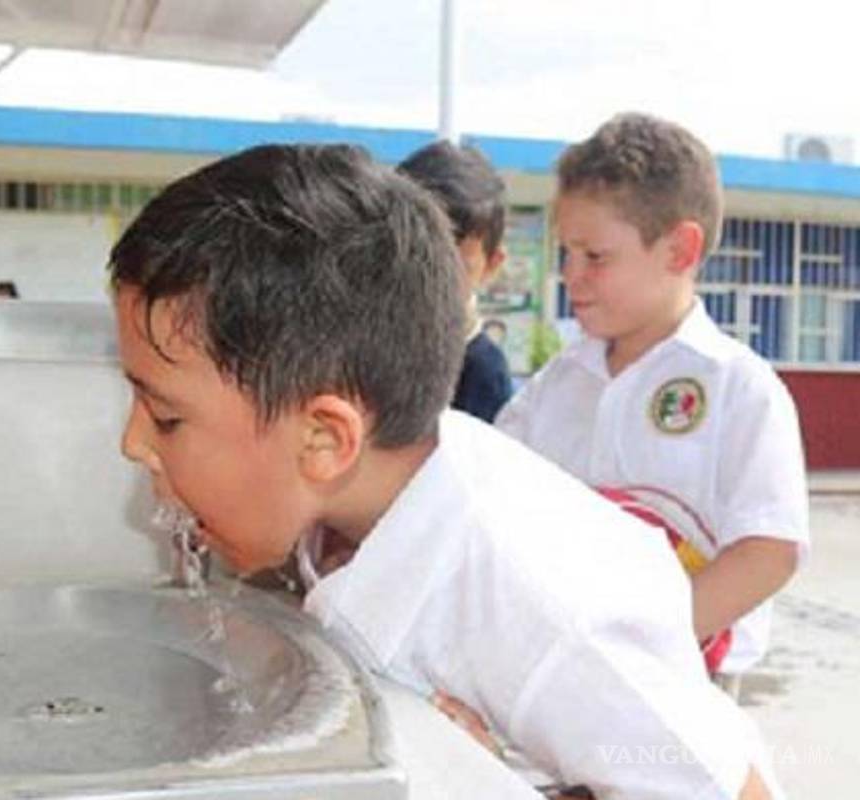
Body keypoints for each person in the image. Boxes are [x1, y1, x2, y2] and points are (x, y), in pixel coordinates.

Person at [109, 143, 780, 799]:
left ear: (325, 438)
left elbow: (727, 789)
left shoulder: (537, 615)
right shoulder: (365, 515)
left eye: (166, 417)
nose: (132, 443)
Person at [495, 113, 809, 689]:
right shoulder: (553, 388)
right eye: (566, 254)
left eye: (595, 257)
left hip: (685, 681)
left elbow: (768, 551)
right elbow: (493, 507)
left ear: (679, 250)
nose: (571, 276)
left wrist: (638, 650)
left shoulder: (739, 389)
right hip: (557, 674)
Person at [398, 141, 513, 422]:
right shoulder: (352, 342)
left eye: (454, 265)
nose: (430, 277)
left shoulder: (484, 373)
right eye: (416, 254)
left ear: (491, 264)